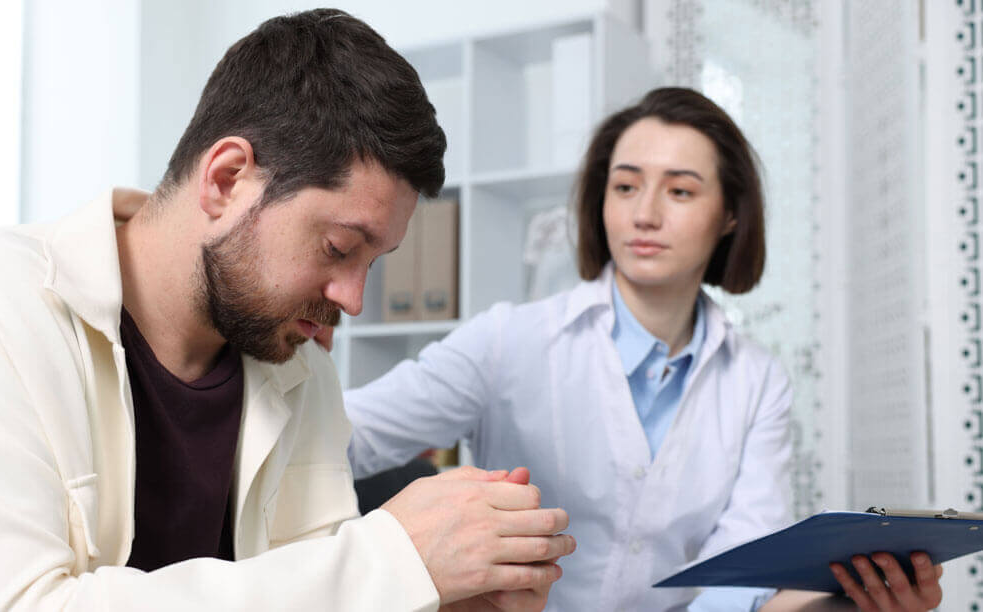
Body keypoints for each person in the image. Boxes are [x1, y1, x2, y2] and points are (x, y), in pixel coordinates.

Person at [0, 9, 576, 611]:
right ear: (227, 179)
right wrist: (389, 563)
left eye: (373, 262)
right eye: (338, 247)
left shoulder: (298, 370)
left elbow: (315, 594)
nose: (353, 299)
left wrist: (437, 595)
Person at [340, 87, 943, 611]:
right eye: (625, 186)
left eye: (680, 192)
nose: (645, 214)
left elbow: (741, 585)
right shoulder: (510, 342)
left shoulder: (757, 381)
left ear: (730, 214)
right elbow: (349, 437)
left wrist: (858, 603)